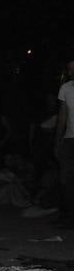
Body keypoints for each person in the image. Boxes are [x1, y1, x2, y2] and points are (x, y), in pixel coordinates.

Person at [55, 61, 74, 228]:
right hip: (69, 139)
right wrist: (57, 141)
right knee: (65, 178)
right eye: (69, 68)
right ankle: (67, 215)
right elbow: (62, 117)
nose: (72, 71)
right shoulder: (66, 88)